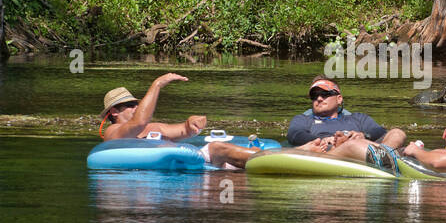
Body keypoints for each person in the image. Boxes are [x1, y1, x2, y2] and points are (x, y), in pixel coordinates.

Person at [304, 95, 446, 174]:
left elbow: (440, 164)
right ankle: (329, 150)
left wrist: (416, 152)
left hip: (406, 165)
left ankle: (307, 157)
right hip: (410, 160)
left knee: (351, 146)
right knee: (387, 135)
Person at [98, 75, 256, 169]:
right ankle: (264, 159)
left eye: (137, 104)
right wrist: (157, 84)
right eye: (131, 105)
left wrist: (192, 123)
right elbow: (139, 122)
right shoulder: (112, 133)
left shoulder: (151, 128)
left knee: (218, 149)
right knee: (218, 150)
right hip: (187, 170)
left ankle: (269, 158)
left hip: (195, 163)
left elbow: (184, 131)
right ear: (114, 112)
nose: (137, 107)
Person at [285, 77, 406, 148]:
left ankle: (383, 158)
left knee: (397, 133)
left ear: (339, 99)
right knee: (350, 146)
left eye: (325, 94)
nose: (319, 99)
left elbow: (380, 131)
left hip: (362, 148)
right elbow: (294, 135)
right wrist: (322, 140)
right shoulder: (303, 119)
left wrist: (363, 136)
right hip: (331, 151)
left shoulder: (357, 118)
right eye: (314, 96)